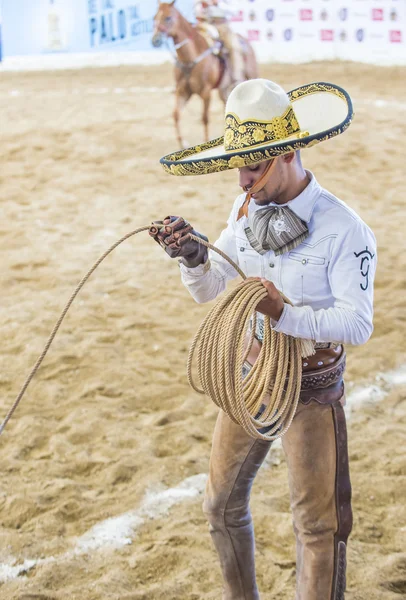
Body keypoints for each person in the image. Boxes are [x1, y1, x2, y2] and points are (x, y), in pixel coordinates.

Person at [151, 79, 377, 599]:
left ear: (288, 153)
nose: (241, 178)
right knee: (219, 505)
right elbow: (212, 289)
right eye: (238, 165)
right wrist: (193, 257)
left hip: (311, 389)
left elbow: (357, 325)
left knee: (317, 529)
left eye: (253, 166)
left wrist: (285, 315)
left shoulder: (346, 230)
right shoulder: (243, 212)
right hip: (253, 378)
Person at [194, 0, 245, 87]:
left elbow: (234, 10)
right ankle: (185, 78)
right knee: (189, 43)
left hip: (222, 25)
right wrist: (201, 7)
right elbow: (196, 7)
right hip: (204, 25)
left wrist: (217, 4)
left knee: (234, 47)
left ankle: (237, 78)